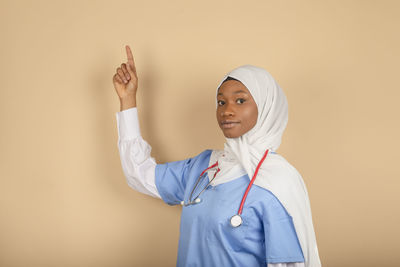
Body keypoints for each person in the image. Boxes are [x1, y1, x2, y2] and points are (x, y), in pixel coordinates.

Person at [113, 45, 321, 267]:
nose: (227, 110)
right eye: (221, 102)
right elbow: (139, 174)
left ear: (266, 106)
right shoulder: (204, 167)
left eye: (240, 101)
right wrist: (128, 100)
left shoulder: (279, 181)